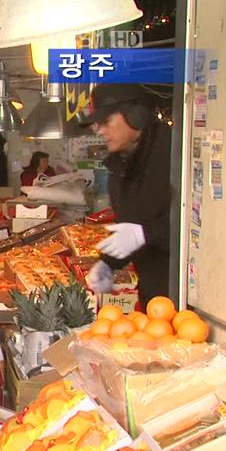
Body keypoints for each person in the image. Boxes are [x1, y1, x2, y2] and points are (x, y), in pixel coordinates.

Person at [82, 84, 172, 308]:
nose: (99, 130)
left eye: (106, 121)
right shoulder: (121, 164)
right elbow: (131, 228)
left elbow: (199, 227)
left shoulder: (174, 156)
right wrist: (109, 263)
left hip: (183, 296)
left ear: (135, 117)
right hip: (153, 296)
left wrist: (148, 233)